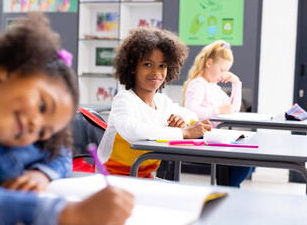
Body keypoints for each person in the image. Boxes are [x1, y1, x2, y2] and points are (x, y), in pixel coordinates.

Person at [0, 12, 134, 225]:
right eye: (42, 105)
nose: (35, 126)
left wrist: (41, 174)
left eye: (43, 132)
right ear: (10, 70)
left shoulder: (5, 138)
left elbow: (59, 153)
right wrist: (66, 213)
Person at [97, 27, 212, 178]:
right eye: (148, 64)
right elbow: (132, 131)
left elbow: (191, 116)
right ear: (132, 67)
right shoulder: (124, 100)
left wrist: (184, 124)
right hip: (112, 177)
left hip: (143, 176)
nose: (156, 72)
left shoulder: (162, 102)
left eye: (162, 65)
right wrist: (183, 132)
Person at [182, 40, 254, 187]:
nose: (224, 74)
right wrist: (218, 110)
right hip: (200, 135)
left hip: (212, 135)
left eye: (226, 70)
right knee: (244, 164)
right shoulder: (198, 84)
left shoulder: (213, 86)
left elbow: (233, 109)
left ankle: (228, 190)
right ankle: (228, 191)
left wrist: (236, 83)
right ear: (209, 63)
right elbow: (192, 111)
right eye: (222, 69)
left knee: (252, 161)